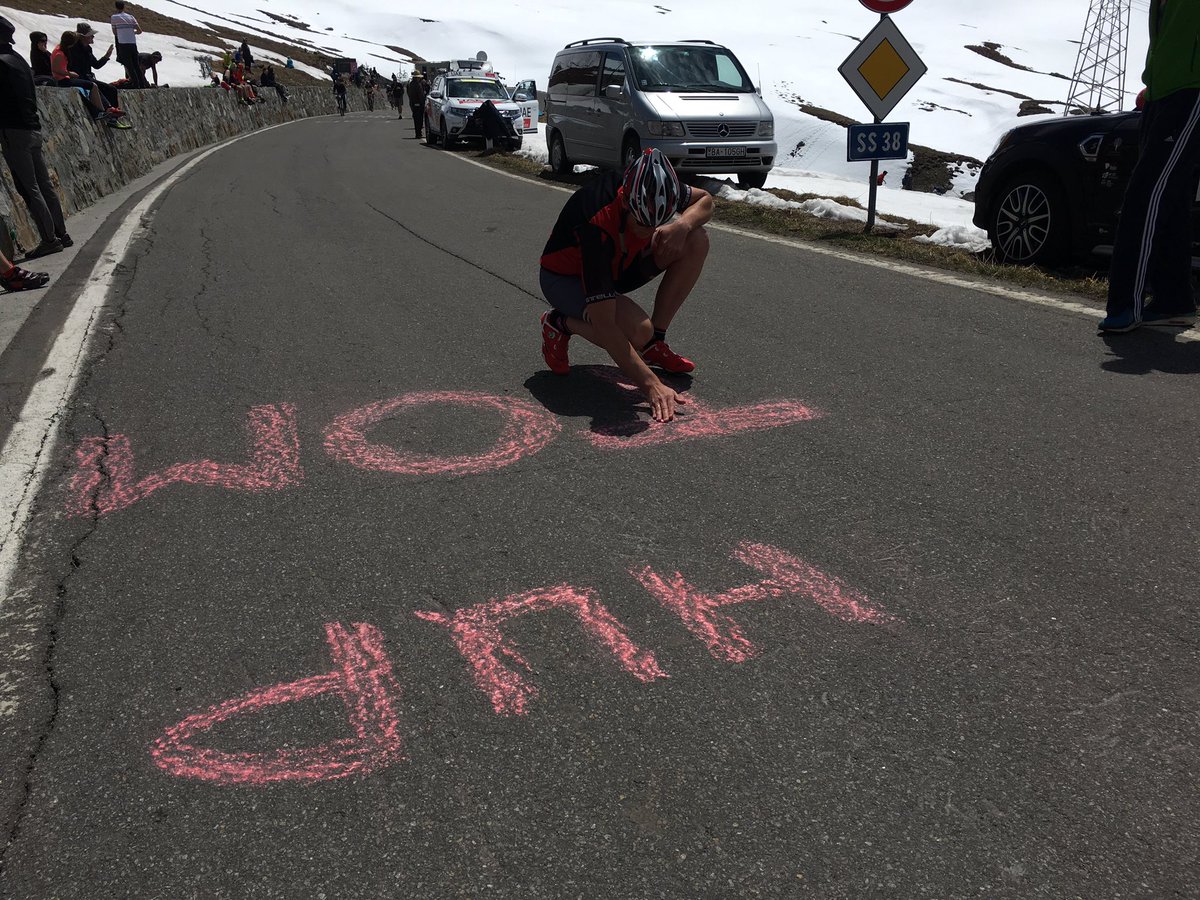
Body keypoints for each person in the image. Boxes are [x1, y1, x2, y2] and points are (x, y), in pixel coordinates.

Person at [538, 149, 713, 423]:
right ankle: (560, 322)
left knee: (696, 238)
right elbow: (606, 326)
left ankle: (655, 341)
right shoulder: (595, 222)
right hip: (566, 278)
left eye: (656, 222)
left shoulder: (657, 186)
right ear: (626, 201)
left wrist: (681, 225)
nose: (648, 229)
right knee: (629, 331)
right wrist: (650, 384)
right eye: (641, 222)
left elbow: (705, 200)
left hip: (618, 264)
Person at [1099, 0, 1200, 332]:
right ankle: (1174, 300)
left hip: (1191, 93)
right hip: (1161, 94)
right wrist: (1154, 85)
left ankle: (1125, 302)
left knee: (1147, 195)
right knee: (1173, 200)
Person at [0, 16, 73, 257]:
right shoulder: (18, 59)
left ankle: (49, 239)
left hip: (14, 131)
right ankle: (62, 234)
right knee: (44, 185)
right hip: (33, 128)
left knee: (29, 187)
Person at [50, 32, 115, 123]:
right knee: (93, 86)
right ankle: (101, 111)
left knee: (94, 87)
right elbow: (55, 69)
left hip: (65, 78)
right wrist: (70, 74)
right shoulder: (59, 54)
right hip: (62, 80)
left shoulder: (61, 49)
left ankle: (104, 110)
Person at [70, 23, 119, 110]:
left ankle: (113, 114)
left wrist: (106, 56)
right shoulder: (73, 48)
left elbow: (96, 65)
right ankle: (110, 112)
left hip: (87, 77)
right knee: (104, 89)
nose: (93, 37)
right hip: (79, 77)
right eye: (91, 35)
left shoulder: (88, 49)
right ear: (84, 37)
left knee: (111, 89)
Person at [110, 0, 146, 88]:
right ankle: (142, 84)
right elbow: (139, 31)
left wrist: (122, 33)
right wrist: (133, 33)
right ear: (124, 7)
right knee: (136, 65)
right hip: (132, 44)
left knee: (129, 66)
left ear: (116, 7)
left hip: (123, 44)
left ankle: (136, 85)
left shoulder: (114, 17)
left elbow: (115, 32)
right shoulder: (131, 17)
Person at [406, 72, 426, 137]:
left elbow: (409, 93)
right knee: (419, 119)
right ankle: (419, 133)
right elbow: (421, 95)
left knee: (416, 118)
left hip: (413, 103)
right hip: (419, 103)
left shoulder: (410, 84)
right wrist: (423, 102)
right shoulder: (418, 85)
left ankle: (417, 133)